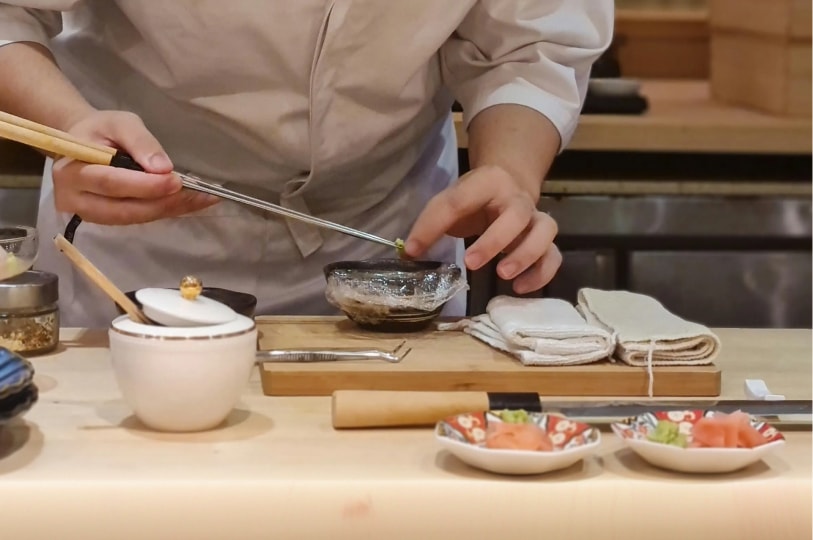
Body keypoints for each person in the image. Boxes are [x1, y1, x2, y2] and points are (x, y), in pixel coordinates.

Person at [0, 2, 613, 327]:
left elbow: (531, 41)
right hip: (141, 239)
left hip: (387, 247)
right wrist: (68, 126)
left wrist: (510, 170)